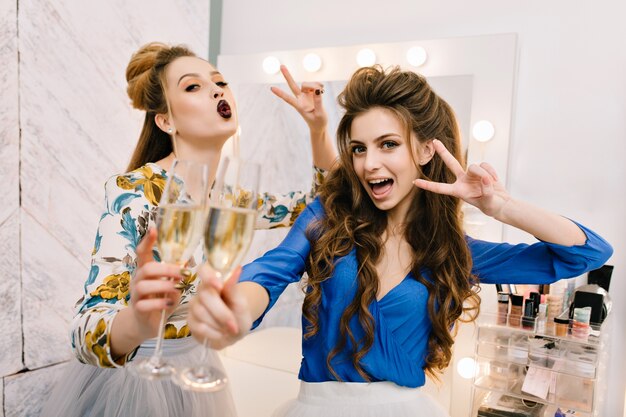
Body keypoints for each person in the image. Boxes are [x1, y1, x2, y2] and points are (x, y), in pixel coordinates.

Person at [187, 65, 614, 417]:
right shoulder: (327, 216)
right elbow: (272, 269)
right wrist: (234, 311)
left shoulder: (456, 252)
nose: (369, 163)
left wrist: (502, 208)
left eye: (387, 144)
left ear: (426, 150)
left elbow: (589, 253)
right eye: (358, 149)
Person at [40, 42, 337, 417]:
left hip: (198, 371)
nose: (217, 90)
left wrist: (318, 129)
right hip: (135, 381)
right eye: (192, 86)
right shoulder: (136, 193)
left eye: (219, 82)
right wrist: (137, 322)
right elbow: (84, 329)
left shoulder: (231, 199)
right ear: (166, 121)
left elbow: (320, 201)